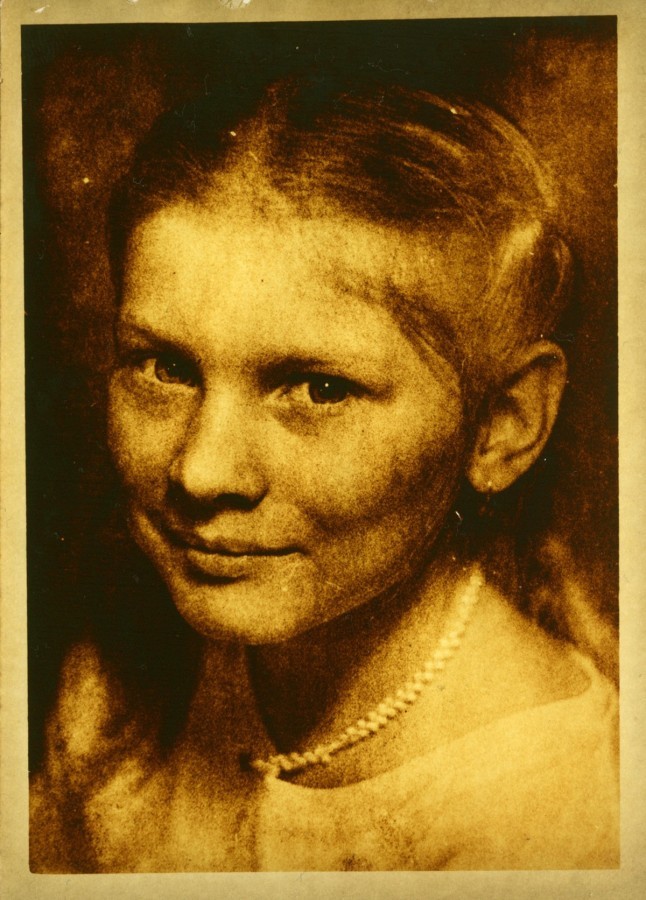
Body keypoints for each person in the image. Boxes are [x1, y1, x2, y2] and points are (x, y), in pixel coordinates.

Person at [30, 77, 618, 872]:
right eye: (164, 368)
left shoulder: (558, 813)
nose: (201, 471)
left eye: (318, 389)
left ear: (501, 426)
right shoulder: (118, 690)